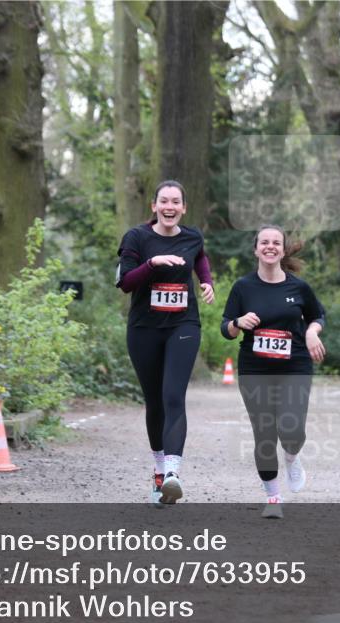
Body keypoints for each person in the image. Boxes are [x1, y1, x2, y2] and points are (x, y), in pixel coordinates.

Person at [116, 180, 214, 506]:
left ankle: (173, 473)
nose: (170, 207)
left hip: (183, 324)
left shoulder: (192, 236)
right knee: (155, 401)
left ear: (183, 208)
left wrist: (207, 282)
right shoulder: (137, 238)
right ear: (154, 207)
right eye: (164, 202)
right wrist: (152, 263)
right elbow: (125, 282)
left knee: (173, 395)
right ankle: (159, 471)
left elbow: (199, 257)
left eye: (176, 202)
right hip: (144, 328)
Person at [221, 225, 326, 518]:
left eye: (275, 242)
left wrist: (312, 333)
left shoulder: (298, 287)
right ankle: (273, 498)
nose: (270, 246)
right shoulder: (243, 287)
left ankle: (292, 456)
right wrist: (238, 323)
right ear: (256, 249)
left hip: (295, 365)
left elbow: (317, 316)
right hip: (254, 367)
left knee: (291, 430)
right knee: (264, 433)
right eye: (264, 242)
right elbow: (226, 328)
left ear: (282, 249)